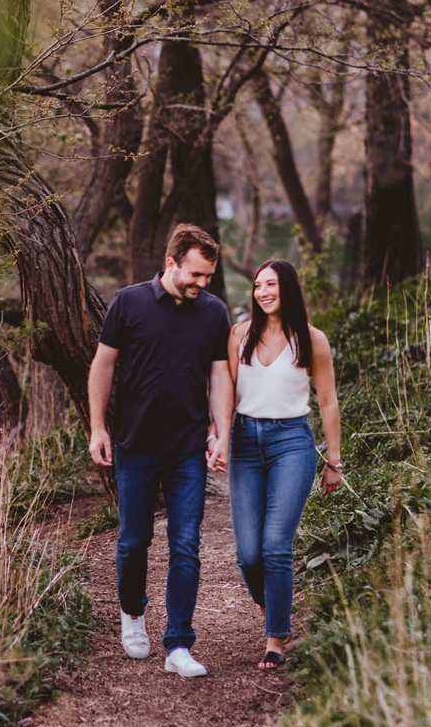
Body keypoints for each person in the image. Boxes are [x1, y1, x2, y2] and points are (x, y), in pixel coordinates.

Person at [88, 224, 232, 678]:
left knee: (186, 544)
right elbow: (103, 365)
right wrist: (97, 427)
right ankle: (132, 613)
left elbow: (221, 376)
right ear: (171, 263)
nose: (202, 284)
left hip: (188, 448)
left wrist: (221, 431)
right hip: (135, 444)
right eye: (195, 274)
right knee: (134, 541)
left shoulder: (213, 313)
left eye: (208, 276)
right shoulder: (129, 303)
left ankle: (179, 644)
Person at [211, 259, 342, 670]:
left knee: (275, 548)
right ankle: (278, 611)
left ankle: (275, 639)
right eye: (257, 285)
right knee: (249, 555)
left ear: (288, 288)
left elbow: (328, 400)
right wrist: (221, 437)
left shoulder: (311, 339)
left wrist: (333, 461)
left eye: (272, 284)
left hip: (292, 443)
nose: (264, 292)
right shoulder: (239, 335)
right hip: (247, 443)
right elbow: (227, 393)